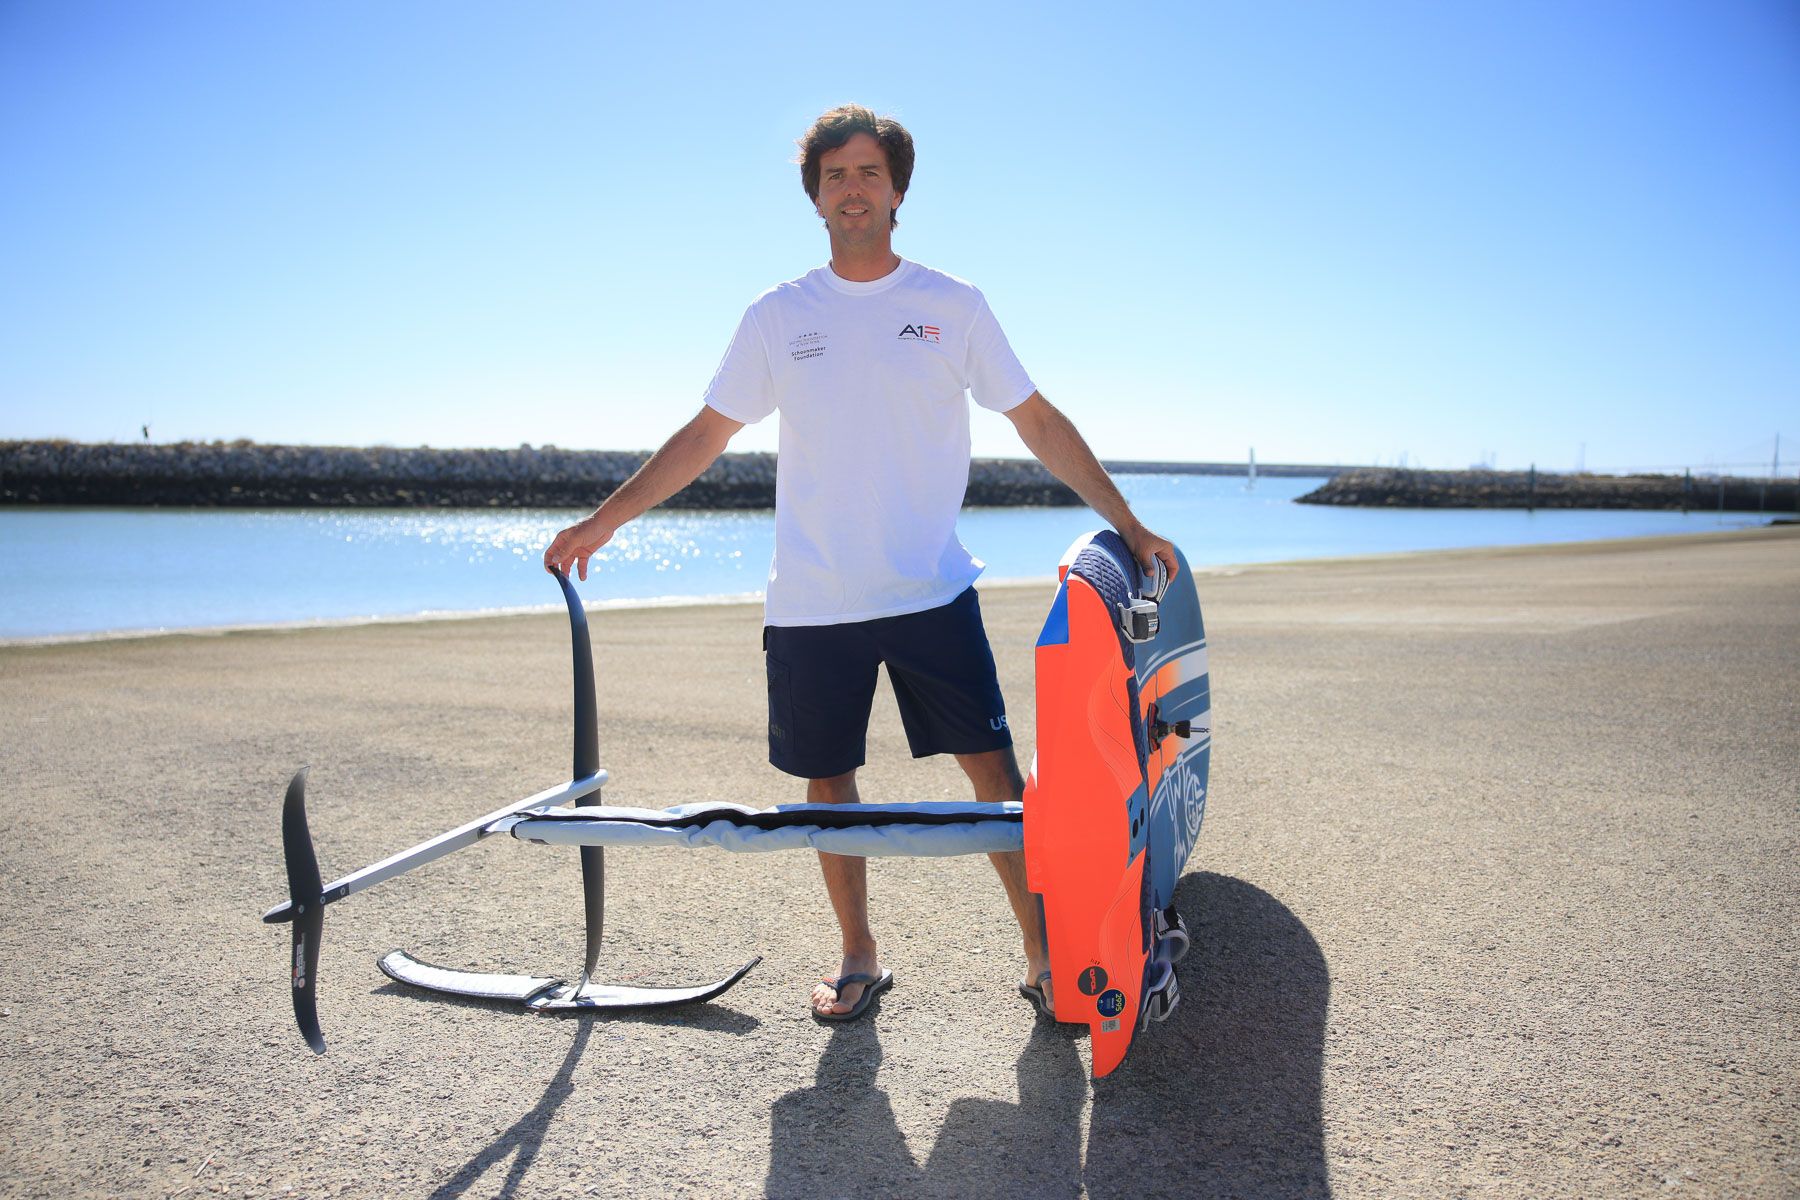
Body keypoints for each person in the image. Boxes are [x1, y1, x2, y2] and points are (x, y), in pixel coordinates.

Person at [544, 104, 1176, 1022]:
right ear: (816, 197)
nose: (853, 187)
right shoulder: (778, 315)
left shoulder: (951, 305)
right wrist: (604, 522)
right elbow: (706, 435)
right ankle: (858, 956)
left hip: (931, 588)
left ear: (898, 191)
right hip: (812, 601)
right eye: (835, 174)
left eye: (868, 173)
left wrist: (1130, 520)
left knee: (996, 780)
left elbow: (1035, 421)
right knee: (827, 786)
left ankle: (1047, 956)